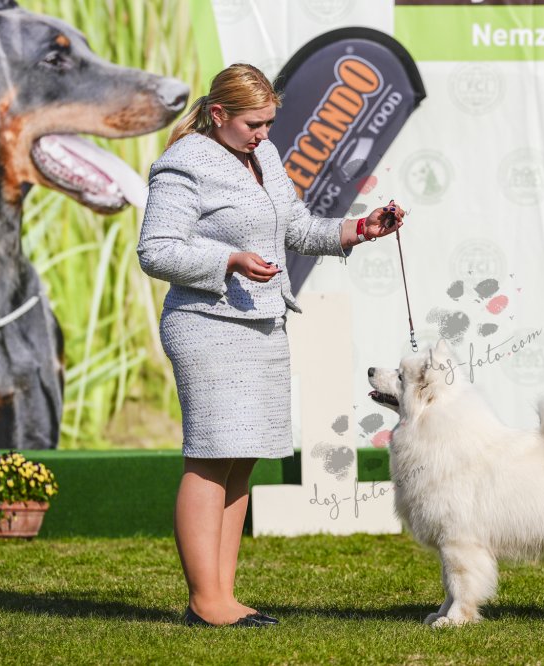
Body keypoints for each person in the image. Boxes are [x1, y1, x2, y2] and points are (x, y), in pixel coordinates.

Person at [136, 63, 405, 628]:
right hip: (207, 323)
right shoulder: (183, 163)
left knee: (240, 459)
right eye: (253, 124)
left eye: (268, 124)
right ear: (219, 115)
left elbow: (298, 228)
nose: (263, 134)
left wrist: (362, 228)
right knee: (210, 458)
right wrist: (228, 259)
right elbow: (156, 250)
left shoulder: (265, 157)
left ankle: (222, 595)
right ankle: (205, 600)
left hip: (262, 322)